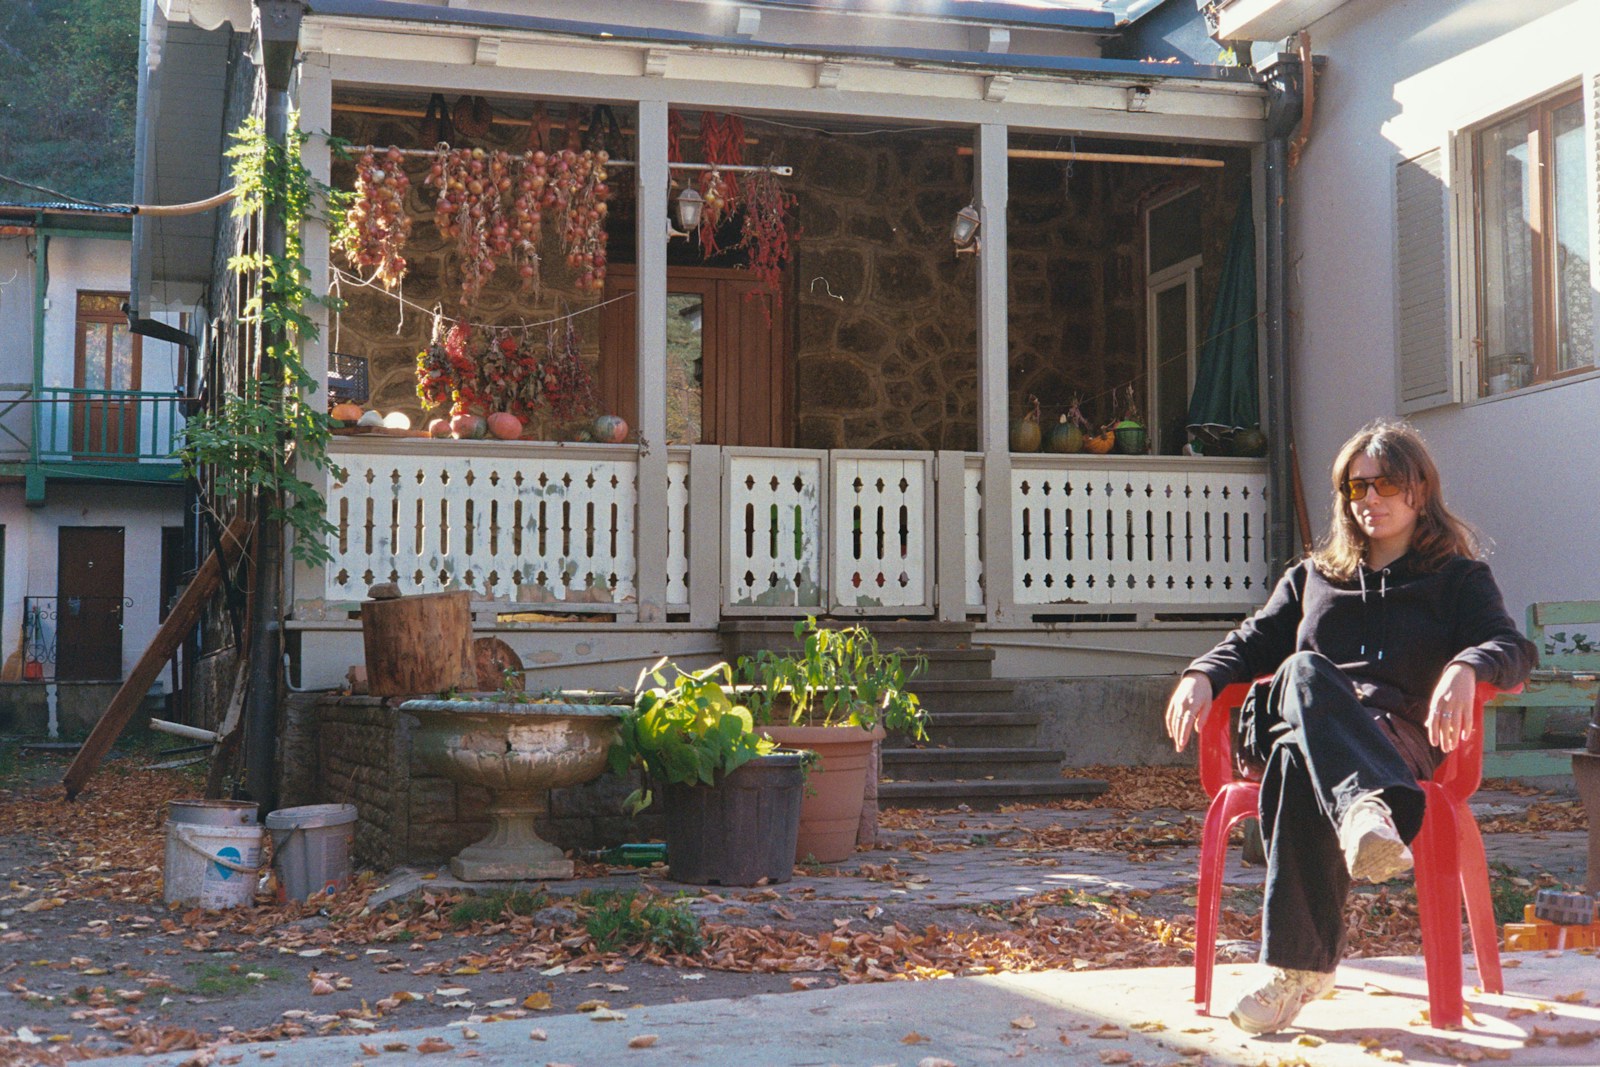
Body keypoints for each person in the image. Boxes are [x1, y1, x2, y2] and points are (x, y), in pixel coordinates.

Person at [1164, 419, 1535, 1035]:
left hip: (1392, 740)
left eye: (1385, 484)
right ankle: (1364, 809)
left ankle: (1295, 969)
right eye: (1355, 488)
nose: (1370, 500)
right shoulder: (1313, 577)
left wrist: (1470, 665)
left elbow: (1512, 647)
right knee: (1305, 671)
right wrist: (1202, 674)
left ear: (1420, 489)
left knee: (1295, 759)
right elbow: (1252, 641)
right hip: (1309, 723)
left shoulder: (1457, 579)